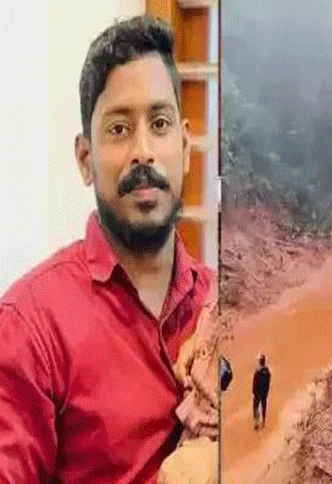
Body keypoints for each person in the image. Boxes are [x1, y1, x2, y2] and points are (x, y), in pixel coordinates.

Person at [0, 16, 217, 483]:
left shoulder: (220, 308)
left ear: (184, 144)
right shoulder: (30, 327)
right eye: (119, 129)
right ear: (85, 160)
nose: (144, 151)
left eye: (159, 124)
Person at [252, 354, 271, 430]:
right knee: (263, 406)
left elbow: (254, 382)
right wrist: (266, 391)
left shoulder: (258, 371)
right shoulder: (267, 371)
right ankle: (263, 421)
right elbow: (268, 382)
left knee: (255, 406)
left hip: (257, 392)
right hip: (264, 392)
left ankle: (256, 421)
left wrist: (254, 391)